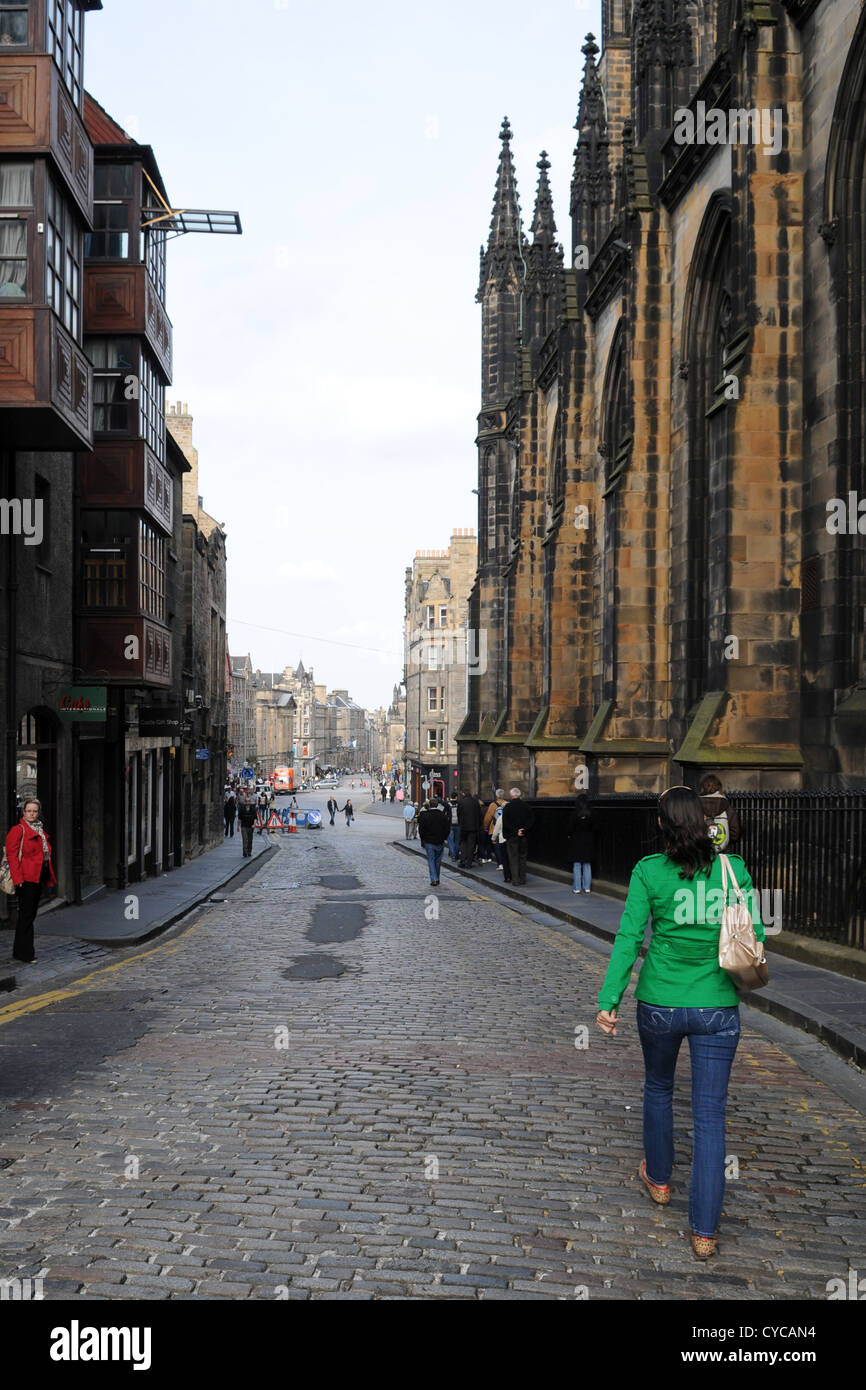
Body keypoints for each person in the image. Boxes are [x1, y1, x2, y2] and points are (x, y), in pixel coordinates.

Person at [596, 785, 762, 1261]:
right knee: (710, 1115)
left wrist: (609, 1000)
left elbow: (629, 939)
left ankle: (661, 1180)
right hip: (716, 1004)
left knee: (658, 1089)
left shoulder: (649, 872)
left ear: (661, 824)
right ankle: (705, 1231)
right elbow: (754, 931)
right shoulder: (734, 870)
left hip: (660, 1003)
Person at [5, 798, 56, 962]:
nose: (32, 814)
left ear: (38, 812)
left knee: (28, 916)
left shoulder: (40, 829)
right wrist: (18, 878)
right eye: (29, 811)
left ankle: (18, 951)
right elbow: (12, 856)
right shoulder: (18, 830)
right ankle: (26, 953)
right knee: (27, 916)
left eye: (34, 811)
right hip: (26, 879)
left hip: (38, 877)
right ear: (23, 812)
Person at [699, 775, 741, 852]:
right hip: (723, 852)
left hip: (701, 852)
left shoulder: (696, 806)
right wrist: (724, 840)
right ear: (719, 787)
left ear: (702, 787)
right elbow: (735, 833)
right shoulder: (726, 806)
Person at [501, 788, 534, 885]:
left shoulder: (508, 807)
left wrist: (515, 831)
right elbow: (531, 820)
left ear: (511, 796)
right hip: (524, 835)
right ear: (520, 795)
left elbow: (505, 822)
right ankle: (522, 878)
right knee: (522, 857)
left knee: (513, 858)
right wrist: (523, 830)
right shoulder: (526, 806)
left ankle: (515, 880)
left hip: (512, 836)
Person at [417, 798, 450, 887]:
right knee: (438, 861)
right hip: (440, 841)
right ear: (437, 805)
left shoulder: (425, 815)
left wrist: (423, 839)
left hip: (429, 841)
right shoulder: (442, 815)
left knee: (431, 860)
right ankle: (437, 878)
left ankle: (434, 879)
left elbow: (421, 829)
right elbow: (447, 828)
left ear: (430, 805)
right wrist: (444, 838)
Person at [566, 793, 595, 893]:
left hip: (576, 841)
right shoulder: (592, 814)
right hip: (588, 841)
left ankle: (577, 888)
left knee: (577, 865)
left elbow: (569, 828)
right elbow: (596, 828)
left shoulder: (574, 814)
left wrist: (570, 835)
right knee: (587, 865)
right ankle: (587, 887)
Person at [457, 790, 481, 868]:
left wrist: (460, 824)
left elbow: (459, 814)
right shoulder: (475, 802)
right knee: (471, 845)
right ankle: (469, 863)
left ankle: (463, 860)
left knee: (463, 844)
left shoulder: (461, 802)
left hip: (464, 827)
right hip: (473, 827)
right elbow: (479, 814)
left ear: (464, 794)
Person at [447, 795, 461, 861]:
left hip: (450, 824)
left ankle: (453, 855)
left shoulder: (448, 804)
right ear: (456, 797)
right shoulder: (459, 804)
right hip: (458, 824)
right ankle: (456, 854)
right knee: (457, 840)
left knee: (450, 840)